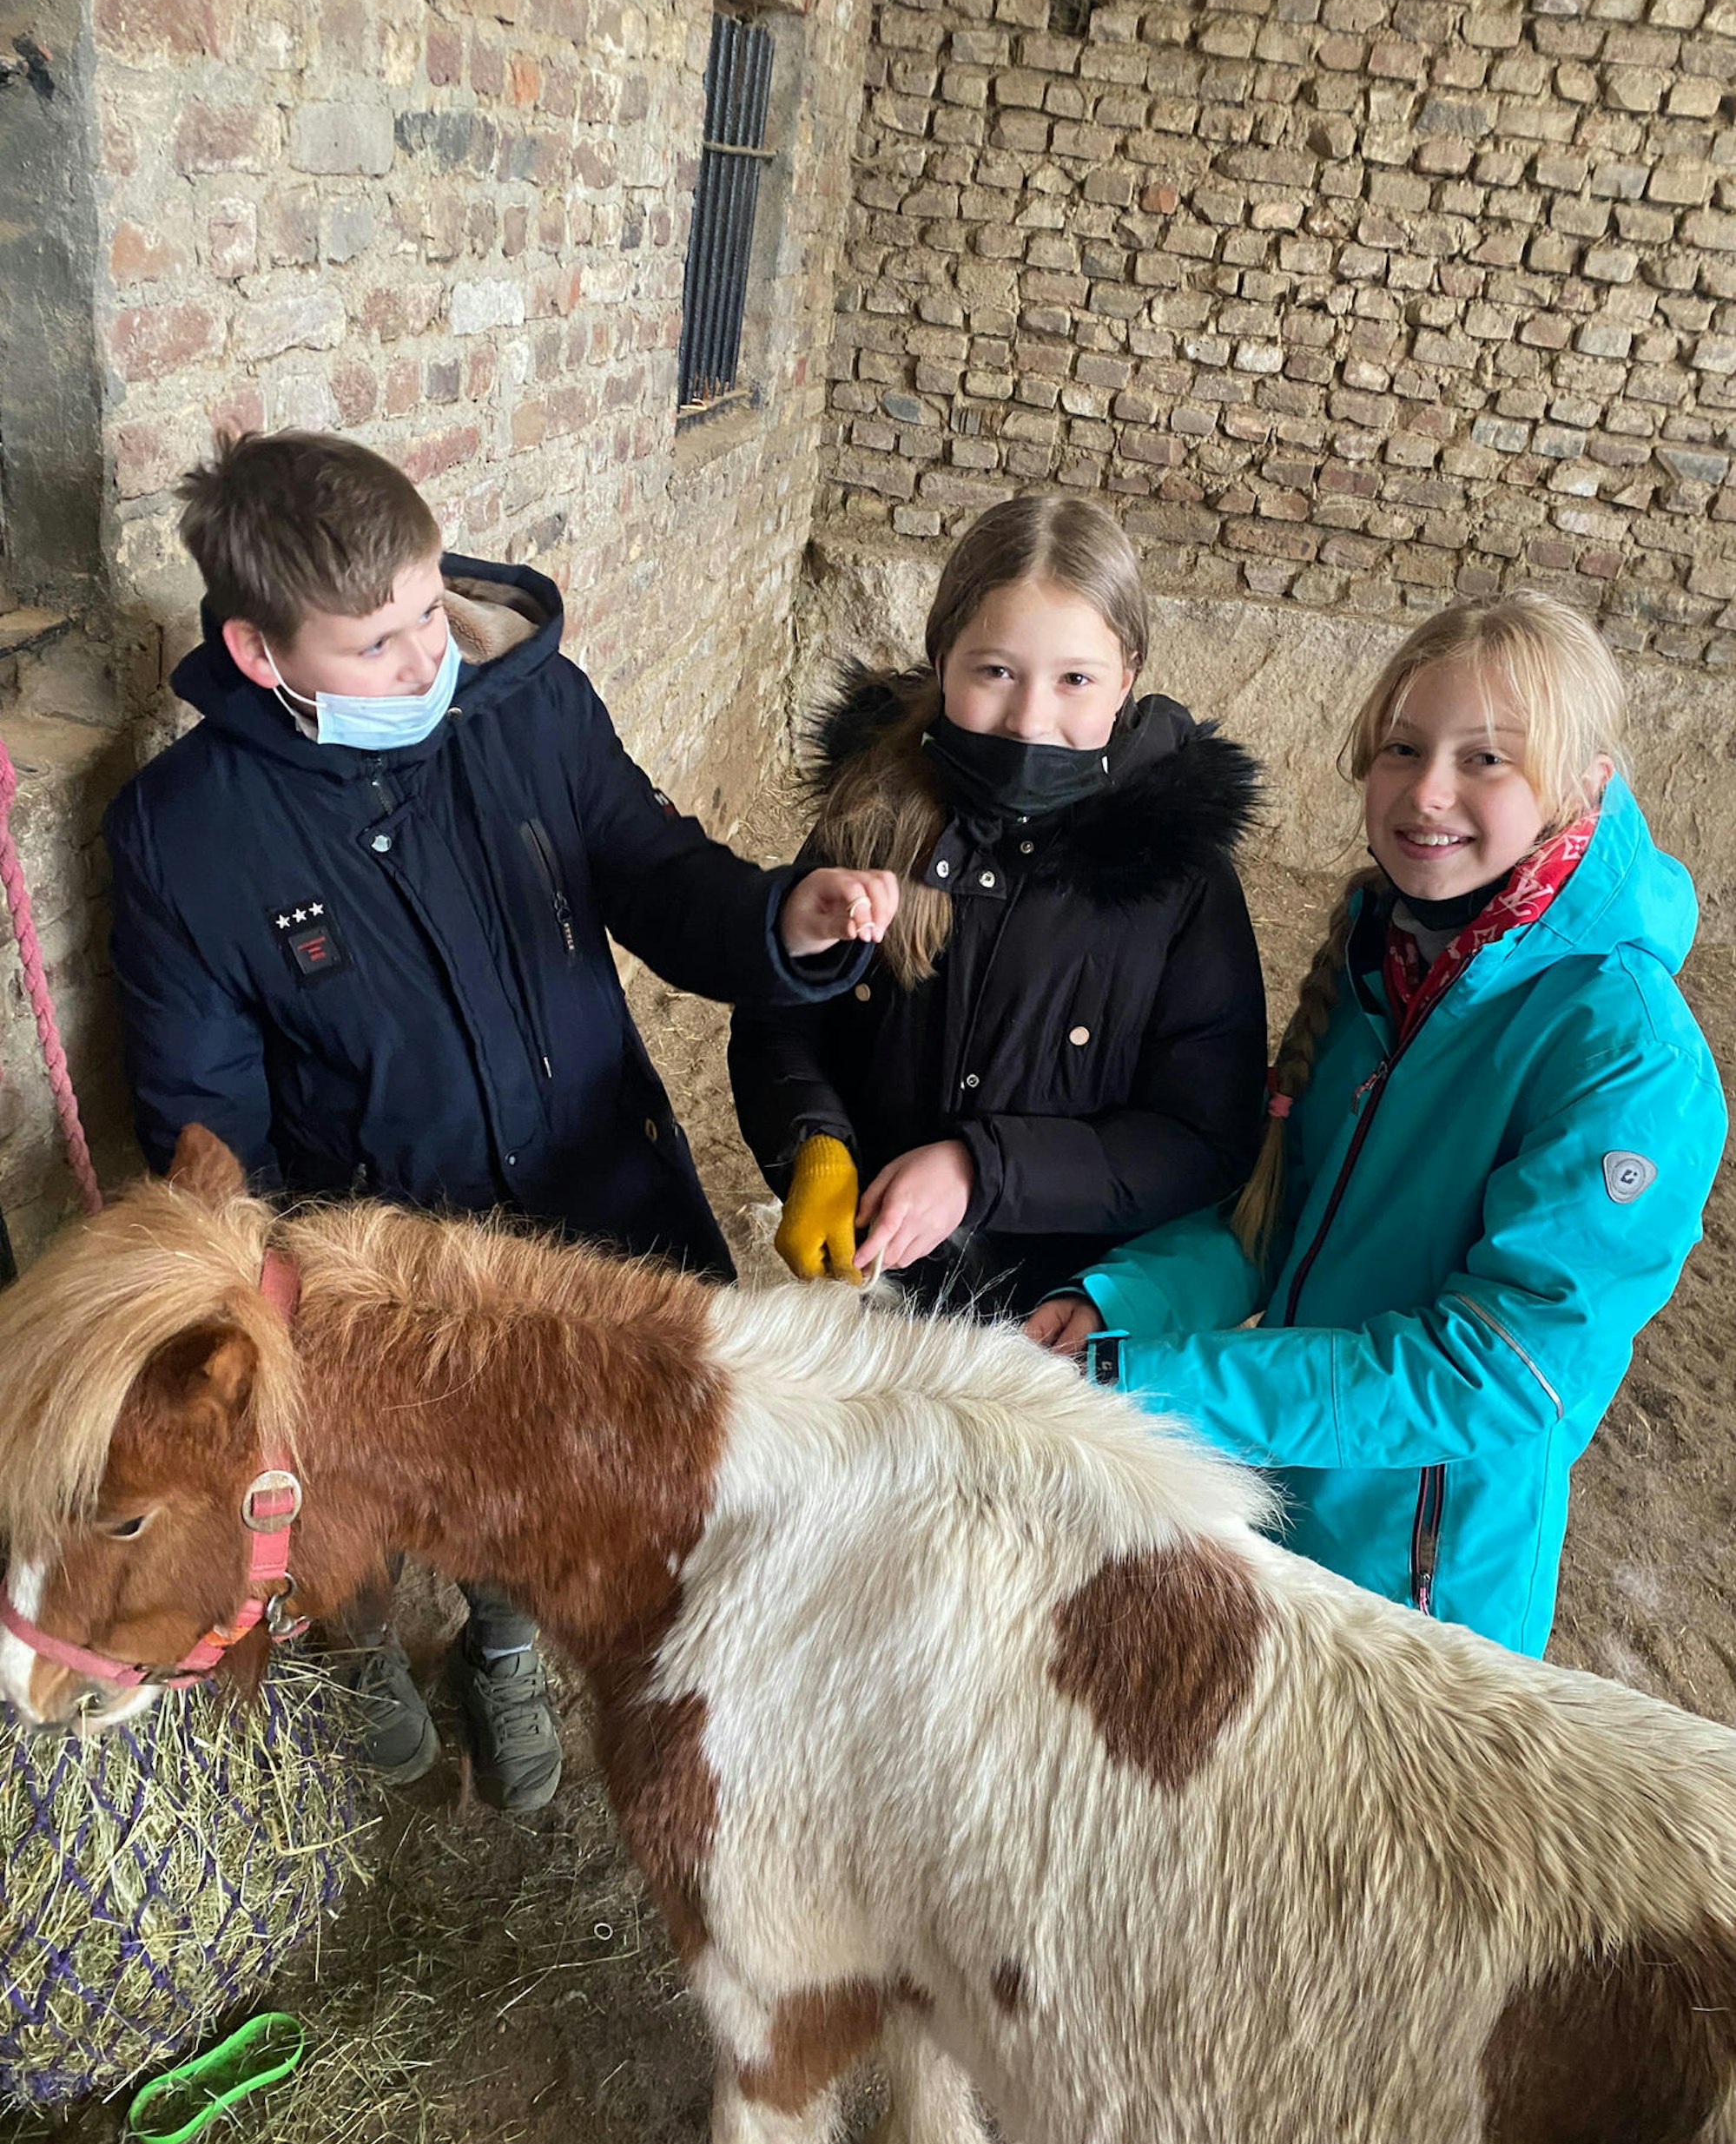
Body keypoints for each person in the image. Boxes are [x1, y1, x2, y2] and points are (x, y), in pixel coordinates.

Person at [103, 429, 897, 1810]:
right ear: (258, 654)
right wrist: (295, 1300)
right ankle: (358, 1641)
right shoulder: (184, 832)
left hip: (597, 1184)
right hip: (390, 1245)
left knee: (587, 1471)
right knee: (414, 1462)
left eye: (428, 613)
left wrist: (786, 916)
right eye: (377, 645)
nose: (426, 663)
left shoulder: (528, 708)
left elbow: (656, 871)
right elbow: (205, 1109)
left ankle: (504, 1634)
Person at [1026, 591, 1726, 1658]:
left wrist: (1147, 1382)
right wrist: (1107, 1305)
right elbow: (1272, 1220)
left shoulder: (1628, 1058)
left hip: (1425, 1591)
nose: (1427, 792)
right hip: (1275, 1505)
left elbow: (1492, 1375)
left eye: (1485, 758)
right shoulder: (1385, 971)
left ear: (1583, 781)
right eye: (1402, 748)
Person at [729, 494, 1266, 1322]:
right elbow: (781, 1020)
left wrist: (983, 1169)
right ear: (941, 657)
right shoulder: (866, 817)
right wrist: (813, 1143)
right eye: (995, 672)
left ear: (1127, 677)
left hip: (1064, 1318)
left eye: (1074, 680)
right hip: (876, 1294)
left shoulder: (1179, 875)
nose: (1028, 720)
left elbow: (1204, 1138)